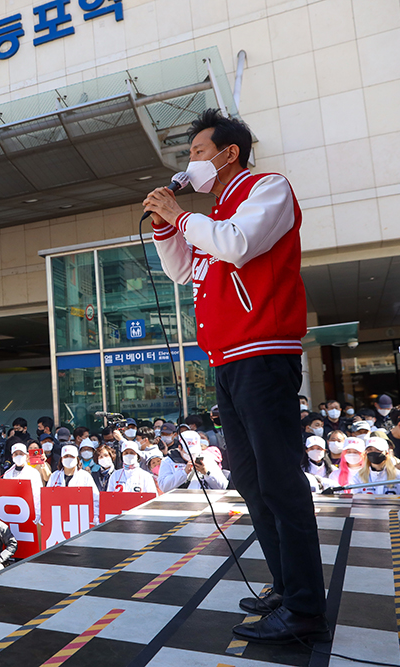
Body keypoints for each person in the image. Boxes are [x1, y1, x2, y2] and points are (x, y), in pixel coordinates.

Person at [145, 108, 326, 643]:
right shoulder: (214, 212)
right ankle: (286, 585)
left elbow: (237, 244)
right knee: (249, 478)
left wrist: (181, 216)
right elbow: (182, 269)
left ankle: (306, 607)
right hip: (227, 359)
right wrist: (165, 225)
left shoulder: (266, 189)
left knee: (279, 478)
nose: (191, 163)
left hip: (263, 352)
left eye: (198, 152)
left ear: (229, 154)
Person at [158, 431, 228, 492]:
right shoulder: (168, 461)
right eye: (189, 453)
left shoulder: (207, 459)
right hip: (178, 504)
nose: (192, 456)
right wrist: (183, 473)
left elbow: (223, 486)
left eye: (195, 453)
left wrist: (206, 473)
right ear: (180, 447)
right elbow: (164, 487)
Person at [47, 445, 100, 523]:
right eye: (66, 456)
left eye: (72, 456)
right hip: (58, 518)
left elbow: (95, 498)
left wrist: (95, 516)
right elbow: (47, 498)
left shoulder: (85, 476)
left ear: (77, 459)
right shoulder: (54, 476)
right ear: (61, 459)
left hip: (80, 517)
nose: (69, 459)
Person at [2, 443, 43, 508]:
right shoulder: (7, 474)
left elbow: (38, 495)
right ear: (12, 456)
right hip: (12, 508)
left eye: (21, 454)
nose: (18, 456)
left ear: (26, 456)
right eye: (16, 454)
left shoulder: (34, 473)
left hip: (30, 508)